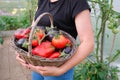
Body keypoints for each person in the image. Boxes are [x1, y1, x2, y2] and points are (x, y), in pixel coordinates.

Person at [16, 0, 94, 80]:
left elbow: (88, 43)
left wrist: (60, 70)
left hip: (58, 69)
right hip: (38, 63)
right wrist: (22, 50)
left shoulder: (77, 2)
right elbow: (33, 28)